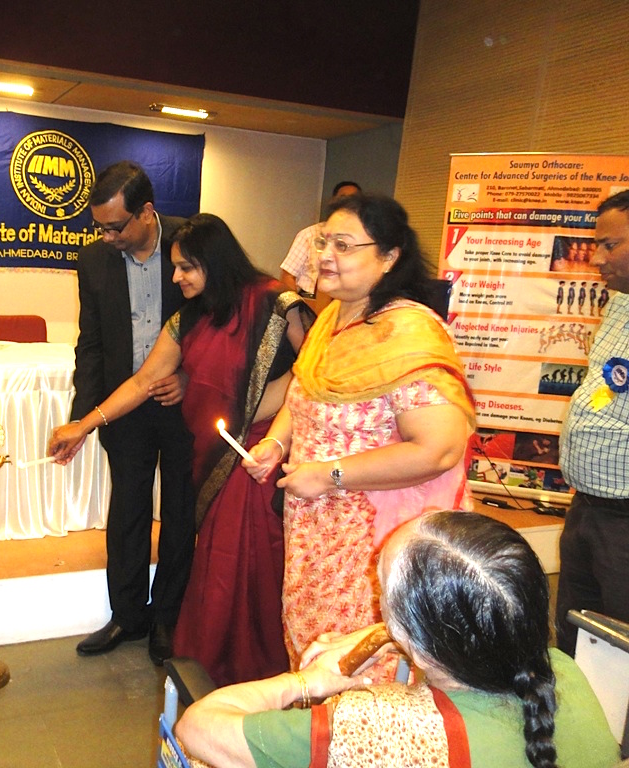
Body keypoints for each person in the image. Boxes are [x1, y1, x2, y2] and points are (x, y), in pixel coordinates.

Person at [51, 213, 314, 685]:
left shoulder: (277, 304)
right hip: (215, 450)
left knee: (251, 557)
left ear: (215, 263)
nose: (177, 278)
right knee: (217, 555)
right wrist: (84, 424)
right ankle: (215, 658)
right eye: (174, 267)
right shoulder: (188, 317)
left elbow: (317, 372)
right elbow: (143, 381)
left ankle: (263, 662)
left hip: (262, 456)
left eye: (186, 268)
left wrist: (279, 432)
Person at [174, 510, 619, 768]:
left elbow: (197, 728)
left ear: (419, 641)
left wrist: (306, 683)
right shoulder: (559, 670)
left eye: (382, 591)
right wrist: (390, 635)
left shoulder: (377, 724)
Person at [246, 193, 476, 678]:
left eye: (345, 246)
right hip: (315, 527)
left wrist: (329, 475)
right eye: (324, 241)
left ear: (389, 257)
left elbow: (440, 448)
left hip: (373, 540)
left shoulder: (406, 332)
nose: (325, 255)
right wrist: (277, 442)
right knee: (315, 649)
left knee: (361, 660)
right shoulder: (334, 315)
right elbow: (306, 390)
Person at [65, 161, 196, 667]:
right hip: (124, 406)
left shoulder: (190, 242)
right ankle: (128, 615)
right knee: (127, 511)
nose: (107, 236)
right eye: (99, 227)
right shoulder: (94, 260)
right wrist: (84, 418)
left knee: (181, 512)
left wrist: (190, 377)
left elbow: (219, 325)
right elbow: (91, 344)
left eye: (115, 226)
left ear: (146, 212)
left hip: (180, 404)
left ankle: (167, 618)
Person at [556, 189, 629, 657]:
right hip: (588, 507)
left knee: (620, 649)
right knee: (576, 638)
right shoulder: (619, 302)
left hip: (625, 520)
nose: (596, 257)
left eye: (610, 245)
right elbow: (608, 387)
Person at [279, 180, 361, 298]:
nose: (348, 203)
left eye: (353, 199)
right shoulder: (308, 235)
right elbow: (288, 275)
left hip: (344, 301)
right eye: (343, 198)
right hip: (310, 301)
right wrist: (297, 308)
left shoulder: (362, 240)